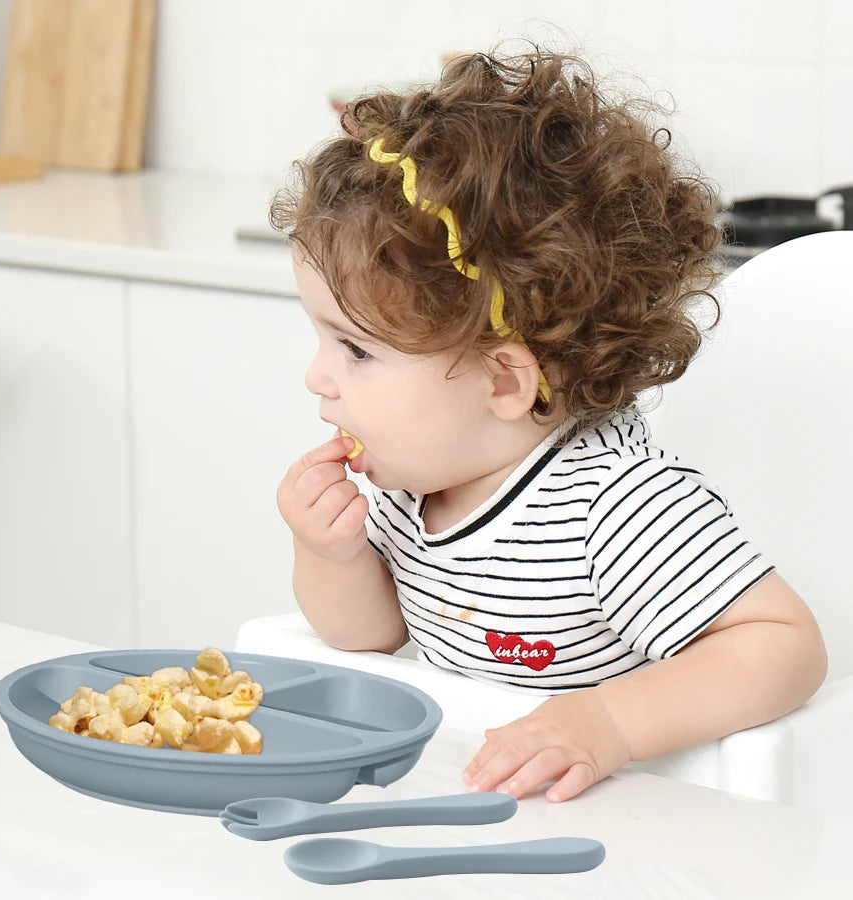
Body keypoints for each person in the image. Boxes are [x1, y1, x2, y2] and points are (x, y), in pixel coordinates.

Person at [271, 44, 827, 803]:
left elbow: (786, 646)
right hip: (480, 808)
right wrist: (330, 558)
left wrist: (610, 722)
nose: (317, 376)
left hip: (624, 828)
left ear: (505, 380)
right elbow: (370, 639)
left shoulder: (616, 508)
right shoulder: (415, 482)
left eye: (357, 350)